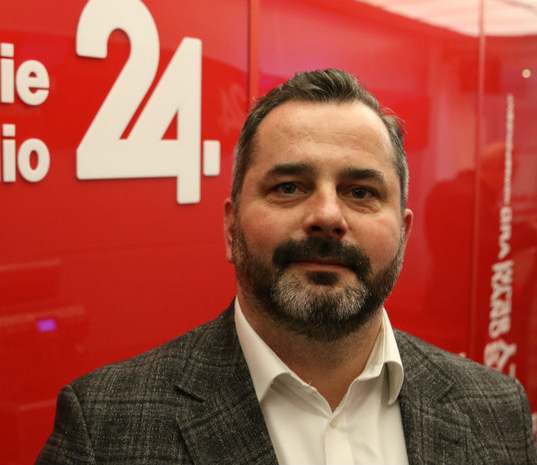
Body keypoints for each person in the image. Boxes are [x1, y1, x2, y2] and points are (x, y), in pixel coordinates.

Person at [35, 69, 537, 464]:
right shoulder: (105, 430)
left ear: (403, 233)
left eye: (361, 192)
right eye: (289, 187)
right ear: (231, 227)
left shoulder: (497, 411)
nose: (327, 216)